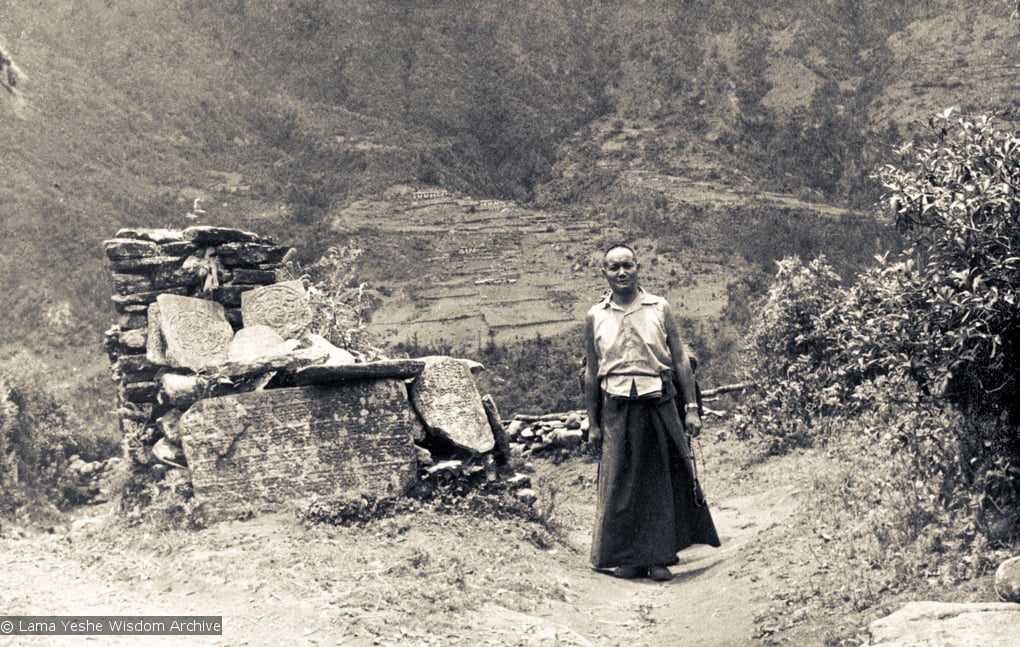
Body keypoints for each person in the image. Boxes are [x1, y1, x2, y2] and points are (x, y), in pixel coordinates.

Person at [583, 243, 720, 581]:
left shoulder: (659, 308)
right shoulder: (595, 315)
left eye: (627, 265)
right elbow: (590, 371)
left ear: (638, 267)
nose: (621, 272)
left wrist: (691, 409)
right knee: (620, 486)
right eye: (613, 267)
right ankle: (628, 559)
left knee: (658, 483)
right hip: (616, 406)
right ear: (604, 273)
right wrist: (593, 423)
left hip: (657, 401)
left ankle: (659, 558)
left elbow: (680, 360)